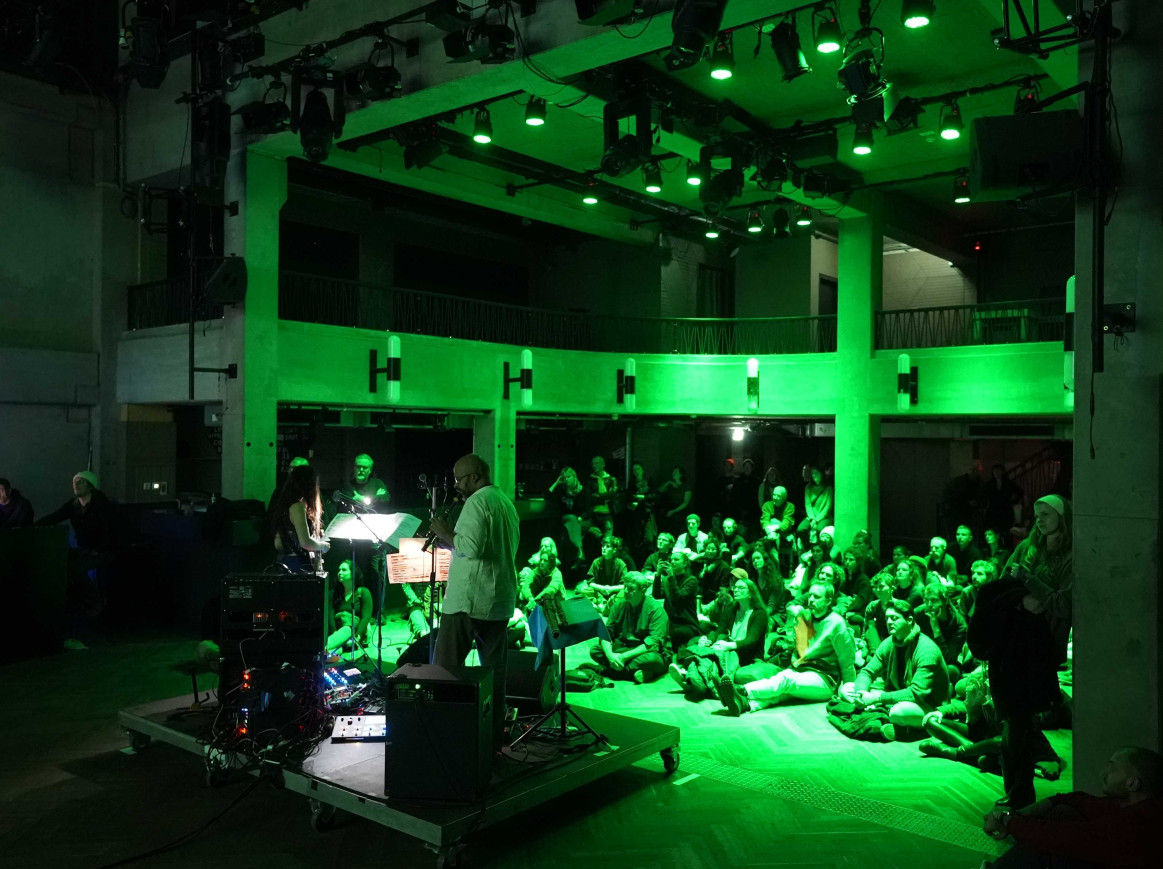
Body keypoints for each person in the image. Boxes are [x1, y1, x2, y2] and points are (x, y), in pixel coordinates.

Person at [429, 454, 520, 752]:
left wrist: (444, 532)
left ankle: (441, 738)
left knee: (444, 671)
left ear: (476, 476)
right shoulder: (504, 501)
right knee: (494, 676)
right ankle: (491, 742)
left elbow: (470, 547)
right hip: (499, 599)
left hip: (468, 601)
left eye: (460, 479)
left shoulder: (477, 502)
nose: (457, 486)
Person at [982, 747, 1163, 869]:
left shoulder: (1136, 824)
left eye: (1112, 768)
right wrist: (1018, 814)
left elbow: (1061, 837)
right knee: (1062, 812)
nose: (1104, 773)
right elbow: (1071, 799)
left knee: (1046, 845)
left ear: (1132, 783)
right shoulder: (1131, 804)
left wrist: (1005, 819)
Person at [718, 581, 856, 716]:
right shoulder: (804, 616)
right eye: (810, 596)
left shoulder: (836, 623)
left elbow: (847, 661)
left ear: (828, 601)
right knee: (780, 692)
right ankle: (744, 704)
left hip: (826, 680)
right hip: (802, 671)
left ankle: (741, 691)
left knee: (786, 680)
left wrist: (849, 687)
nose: (811, 600)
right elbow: (799, 651)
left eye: (817, 597)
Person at [844, 599, 950, 741]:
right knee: (847, 688)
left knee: (898, 712)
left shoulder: (926, 649)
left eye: (894, 618)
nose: (889, 622)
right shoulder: (889, 642)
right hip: (894, 697)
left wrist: (878, 698)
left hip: (928, 705)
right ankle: (887, 721)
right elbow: (867, 672)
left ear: (909, 620)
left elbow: (915, 694)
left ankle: (907, 727)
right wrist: (861, 693)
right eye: (887, 618)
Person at [36, 470, 117, 649]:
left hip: (103, 550)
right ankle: (76, 601)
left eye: (80, 482)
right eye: (74, 482)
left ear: (89, 485)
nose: (75, 485)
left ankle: (95, 601)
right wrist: (34, 526)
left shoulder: (100, 504)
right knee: (63, 563)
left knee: (76, 569)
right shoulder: (73, 505)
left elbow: (108, 529)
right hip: (84, 549)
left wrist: (99, 549)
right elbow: (56, 516)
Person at [671, 574, 766, 699]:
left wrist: (729, 645)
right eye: (735, 587)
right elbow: (719, 630)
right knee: (706, 643)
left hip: (747, 653)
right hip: (729, 647)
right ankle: (696, 681)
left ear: (751, 594)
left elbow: (751, 640)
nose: (736, 590)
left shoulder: (759, 614)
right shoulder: (732, 609)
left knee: (713, 653)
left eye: (741, 588)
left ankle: (690, 675)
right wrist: (708, 640)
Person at [590, 572, 669, 683]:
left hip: (645, 652)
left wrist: (623, 658)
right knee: (595, 650)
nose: (626, 591)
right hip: (623, 648)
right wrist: (610, 656)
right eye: (625, 587)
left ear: (643, 590)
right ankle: (639, 673)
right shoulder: (618, 605)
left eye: (631, 589)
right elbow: (606, 634)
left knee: (652, 659)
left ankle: (610, 671)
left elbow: (653, 644)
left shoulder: (655, 609)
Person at [270, 464, 330, 572]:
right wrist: (323, 546)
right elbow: (305, 542)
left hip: (289, 561)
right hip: (297, 565)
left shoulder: (286, 505)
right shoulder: (297, 506)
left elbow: (278, 544)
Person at [326, 559, 373, 655]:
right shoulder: (333, 593)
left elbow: (366, 617)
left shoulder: (363, 592)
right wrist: (335, 632)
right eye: (339, 570)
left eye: (344, 570)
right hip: (337, 630)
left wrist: (358, 635)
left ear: (353, 573)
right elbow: (329, 614)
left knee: (348, 627)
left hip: (355, 631)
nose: (340, 573)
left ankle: (321, 650)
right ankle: (327, 652)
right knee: (337, 650)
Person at [547, 465, 587, 563]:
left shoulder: (583, 491)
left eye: (568, 477)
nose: (566, 480)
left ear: (574, 476)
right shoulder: (562, 491)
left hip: (581, 519)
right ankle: (580, 550)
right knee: (571, 518)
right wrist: (557, 482)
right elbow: (548, 495)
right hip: (566, 518)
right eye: (564, 478)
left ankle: (577, 558)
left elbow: (588, 508)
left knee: (575, 521)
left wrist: (582, 517)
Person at [797, 466, 833, 544]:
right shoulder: (808, 488)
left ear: (821, 474)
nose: (814, 475)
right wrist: (812, 518)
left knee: (819, 529)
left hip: (824, 517)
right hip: (811, 517)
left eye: (816, 473)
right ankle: (808, 549)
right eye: (812, 474)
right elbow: (808, 505)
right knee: (801, 529)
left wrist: (817, 520)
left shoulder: (828, 488)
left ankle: (819, 551)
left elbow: (828, 506)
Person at [656, 466, 692, 536]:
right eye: (673, 472)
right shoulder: (670, 485)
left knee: (676, 519)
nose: (673, 473)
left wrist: (674, 511)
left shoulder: (686, 486)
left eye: (675, 472)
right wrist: (668, 483)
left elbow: (685, 503)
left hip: (680, 509)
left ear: (681, 474)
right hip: (670, 507)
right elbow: (659, 491)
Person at [585, 455, 619, 525]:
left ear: (603, 465)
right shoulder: (589, 480)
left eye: (597, 463)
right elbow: (589, 497)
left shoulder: (611, 479)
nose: (594, 466)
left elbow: (612, 494)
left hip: (608, 511)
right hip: (593, 512)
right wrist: (605, 498)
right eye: (593, 463)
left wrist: (599, 495)